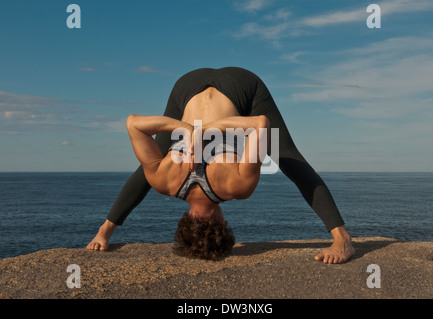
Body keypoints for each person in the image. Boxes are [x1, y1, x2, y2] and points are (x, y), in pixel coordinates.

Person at [87, 67, 355, 264]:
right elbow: (133, 122)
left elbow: (259, 124)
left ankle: (343, 240)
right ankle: (105, 229)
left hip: (241, 85)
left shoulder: (237, 186)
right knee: (148, 166)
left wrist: (201, 130)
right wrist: (192, 130)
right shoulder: (164, 181)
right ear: (184, 223)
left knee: (285, 157)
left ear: (221, 223)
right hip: (188, 83)